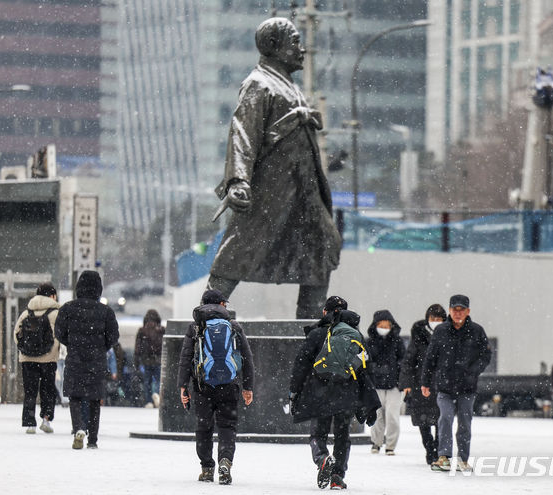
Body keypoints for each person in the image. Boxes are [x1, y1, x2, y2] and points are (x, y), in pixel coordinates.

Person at [207, 17, 342, 319]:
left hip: (303, 190)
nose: (301, 49)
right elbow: (243, 133)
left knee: (322, 245)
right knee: (240, 247)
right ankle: (210, 310)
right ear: (273, 46)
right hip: (272, 187)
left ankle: (309, 322)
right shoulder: (259, 83)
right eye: (295, 42)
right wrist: (238, 180)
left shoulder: (290, 87)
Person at [290, 300, 380, 490]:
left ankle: (322, 458)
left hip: (319, 391)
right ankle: (337, 476)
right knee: (342, 435)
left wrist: (295, 392)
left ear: (325, 311)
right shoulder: (355, 336)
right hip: (346, 394)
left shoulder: (317, 334)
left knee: (317, 433)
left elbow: (301, 365)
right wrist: (369, 400)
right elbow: (365, 369)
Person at [177, 289, 255, 485]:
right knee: (227, 426)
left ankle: (207, 468)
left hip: (203, 385)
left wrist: (182, 386)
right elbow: (247, 359)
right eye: (224, 303)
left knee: (203, 427)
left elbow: (185, 359)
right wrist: (248, 387)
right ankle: (225, 461)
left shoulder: (195, 328)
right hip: (229, 385)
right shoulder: (234, 326)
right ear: (220, 304)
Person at [421, 295, 492, 472]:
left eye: (462, 310)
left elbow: (485, 356)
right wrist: (425, 382)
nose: (458, 313)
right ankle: (444, 456)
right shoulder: (441, 331)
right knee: (445, 418)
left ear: (468, 311)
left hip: (467, 388)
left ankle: (463, 458)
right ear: (450, 311)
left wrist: (473, 371)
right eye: (455, 310)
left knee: (465, 423)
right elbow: (431, 357)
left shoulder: (477, 331)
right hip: (445, 386)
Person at [55, 270, 119, 450]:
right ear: (99, 288)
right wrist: (101, 347)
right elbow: (114, 337)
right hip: (97, 360)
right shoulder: (105, 311)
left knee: (75, 396)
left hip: (75, 358)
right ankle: (93, 439)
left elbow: (59, 333)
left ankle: (78, 429)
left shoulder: (67, 308)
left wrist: (73, 343)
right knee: (94, 398)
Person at [399, 304, 446, 465]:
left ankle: (440, 451)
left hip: (441, 384)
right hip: (420, 384)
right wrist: (407, 383)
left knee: (442, 420)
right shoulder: (418, 334)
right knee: (423, 421)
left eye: (439, 319)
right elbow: (409, 360)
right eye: (433, 318)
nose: (436, 321)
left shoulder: (446, 335)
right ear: (428, 319)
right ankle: (429, 448)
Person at [13, 283, 61, 434]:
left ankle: (29, 423)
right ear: (52, 296)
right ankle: (46, 419)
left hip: (27, 358)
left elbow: (16, 334)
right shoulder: (56, 313)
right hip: (49, 358)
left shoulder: (27, 312)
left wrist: (26, 348)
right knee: (48, 390)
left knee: (30, 390)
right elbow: (61, 335)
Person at [366, 310, 405, 456]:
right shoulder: (369, 342)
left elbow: (404, 361)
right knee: (377, 416)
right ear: (375, 325)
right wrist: (376, 369)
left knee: (392, 416)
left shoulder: (398, 341)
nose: (384, 328)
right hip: (375, 385)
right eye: (381, 325)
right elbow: (366, 362)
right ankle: (376, 442)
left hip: (394, 386)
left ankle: (390, 445)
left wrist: (394, 371)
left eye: (386, 325)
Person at [134, 309, 165, 408]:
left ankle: (148, 401)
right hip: (158, 360)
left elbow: (137, 348)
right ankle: (156, 395)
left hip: (146, 360)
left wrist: (136, 363)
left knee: (147, 381)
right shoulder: (161, 330)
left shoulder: (142, 331)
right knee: (158, 381)